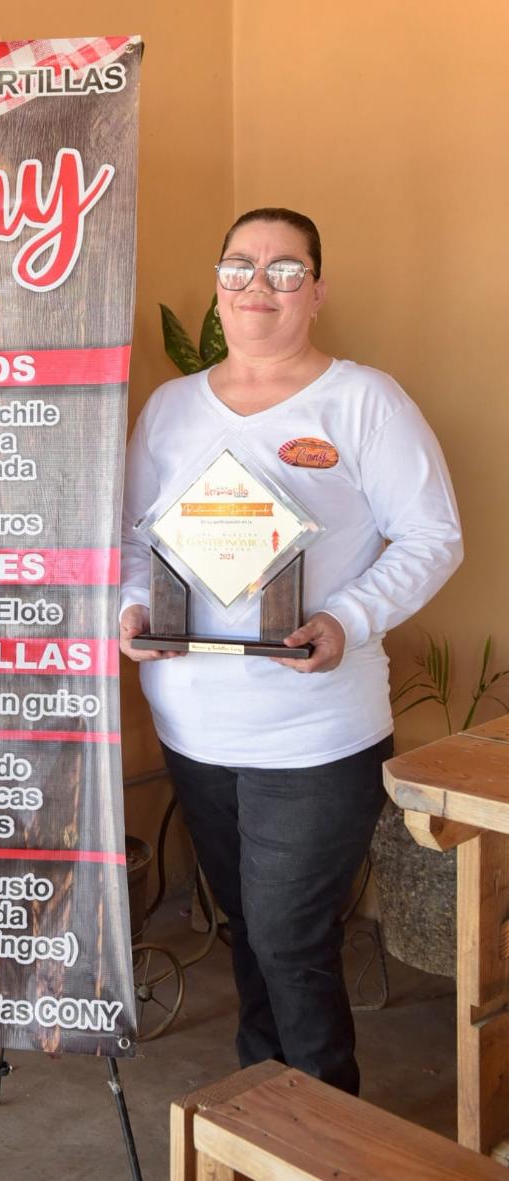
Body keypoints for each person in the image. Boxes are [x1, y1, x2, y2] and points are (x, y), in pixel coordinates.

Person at [119, 208, 462, 1094]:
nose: (258, 286)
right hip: (194, 728)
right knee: (249, 928)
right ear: (218, 286)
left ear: (317, 291)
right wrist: (131, 605)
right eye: (239, 266)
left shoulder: (364, 401)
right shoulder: (171, 409)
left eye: (284, 269)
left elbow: (433, 535)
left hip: (315, 732)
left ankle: (322, 1121)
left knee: (289, 938)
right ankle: (266, 1102)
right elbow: (132, 538)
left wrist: (348, 616)